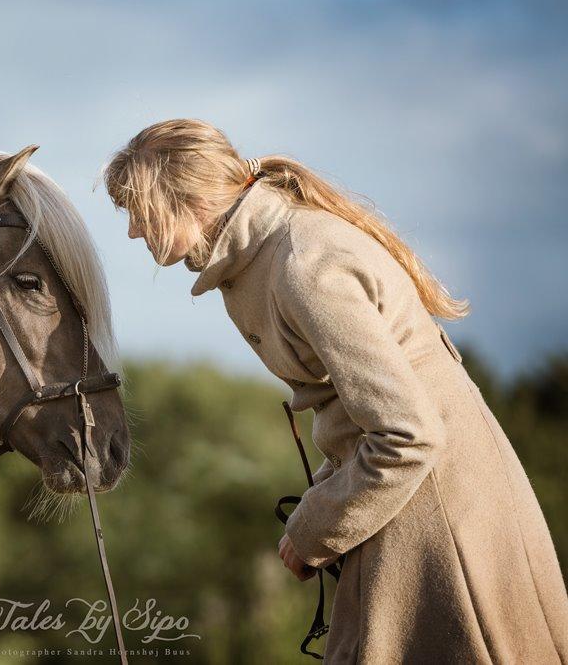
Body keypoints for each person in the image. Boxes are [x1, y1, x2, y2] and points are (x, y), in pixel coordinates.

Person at [103, 118, 568, 663]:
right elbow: (361, 418)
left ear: (185, 196)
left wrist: (315, 527)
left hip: (441, 518)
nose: (133, 230)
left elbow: (408, 433)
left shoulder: (303, 264)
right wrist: (317, 510)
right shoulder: (265, 255)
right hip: (410, 502)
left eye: (137, 209)